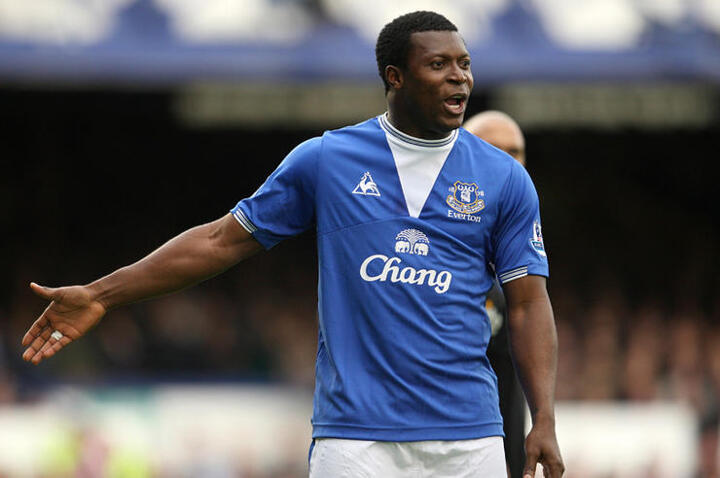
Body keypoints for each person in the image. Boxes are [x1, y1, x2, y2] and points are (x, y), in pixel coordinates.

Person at [22, 11, 563, 478]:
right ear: (395, 77)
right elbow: (220, 241)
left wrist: (543, 419)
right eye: (439, 64)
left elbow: (528, 303)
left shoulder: (504, 179)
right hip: (354, 440)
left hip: (468, 440)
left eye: (464, 63)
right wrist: (101, 294)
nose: (459, 77)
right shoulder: (327, 160)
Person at [464, 110, 529, 478]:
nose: (507, 163)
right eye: (492, 150)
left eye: (515, 152)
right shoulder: (425, 238)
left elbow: (510, 383)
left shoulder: (521, 256)